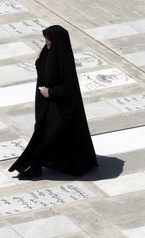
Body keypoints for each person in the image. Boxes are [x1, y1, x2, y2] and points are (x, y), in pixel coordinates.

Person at [8, 25, 98, 179]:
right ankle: (35, 165)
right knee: (45, 134)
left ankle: (33, 165)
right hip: (47, 104)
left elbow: (69, 87)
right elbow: (43, 71)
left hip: (62, 107)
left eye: (49, 40)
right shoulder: (49, 52)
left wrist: (50, 92)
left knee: (48, 136)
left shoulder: (63, 59)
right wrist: (39, 59)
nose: (46, 43)